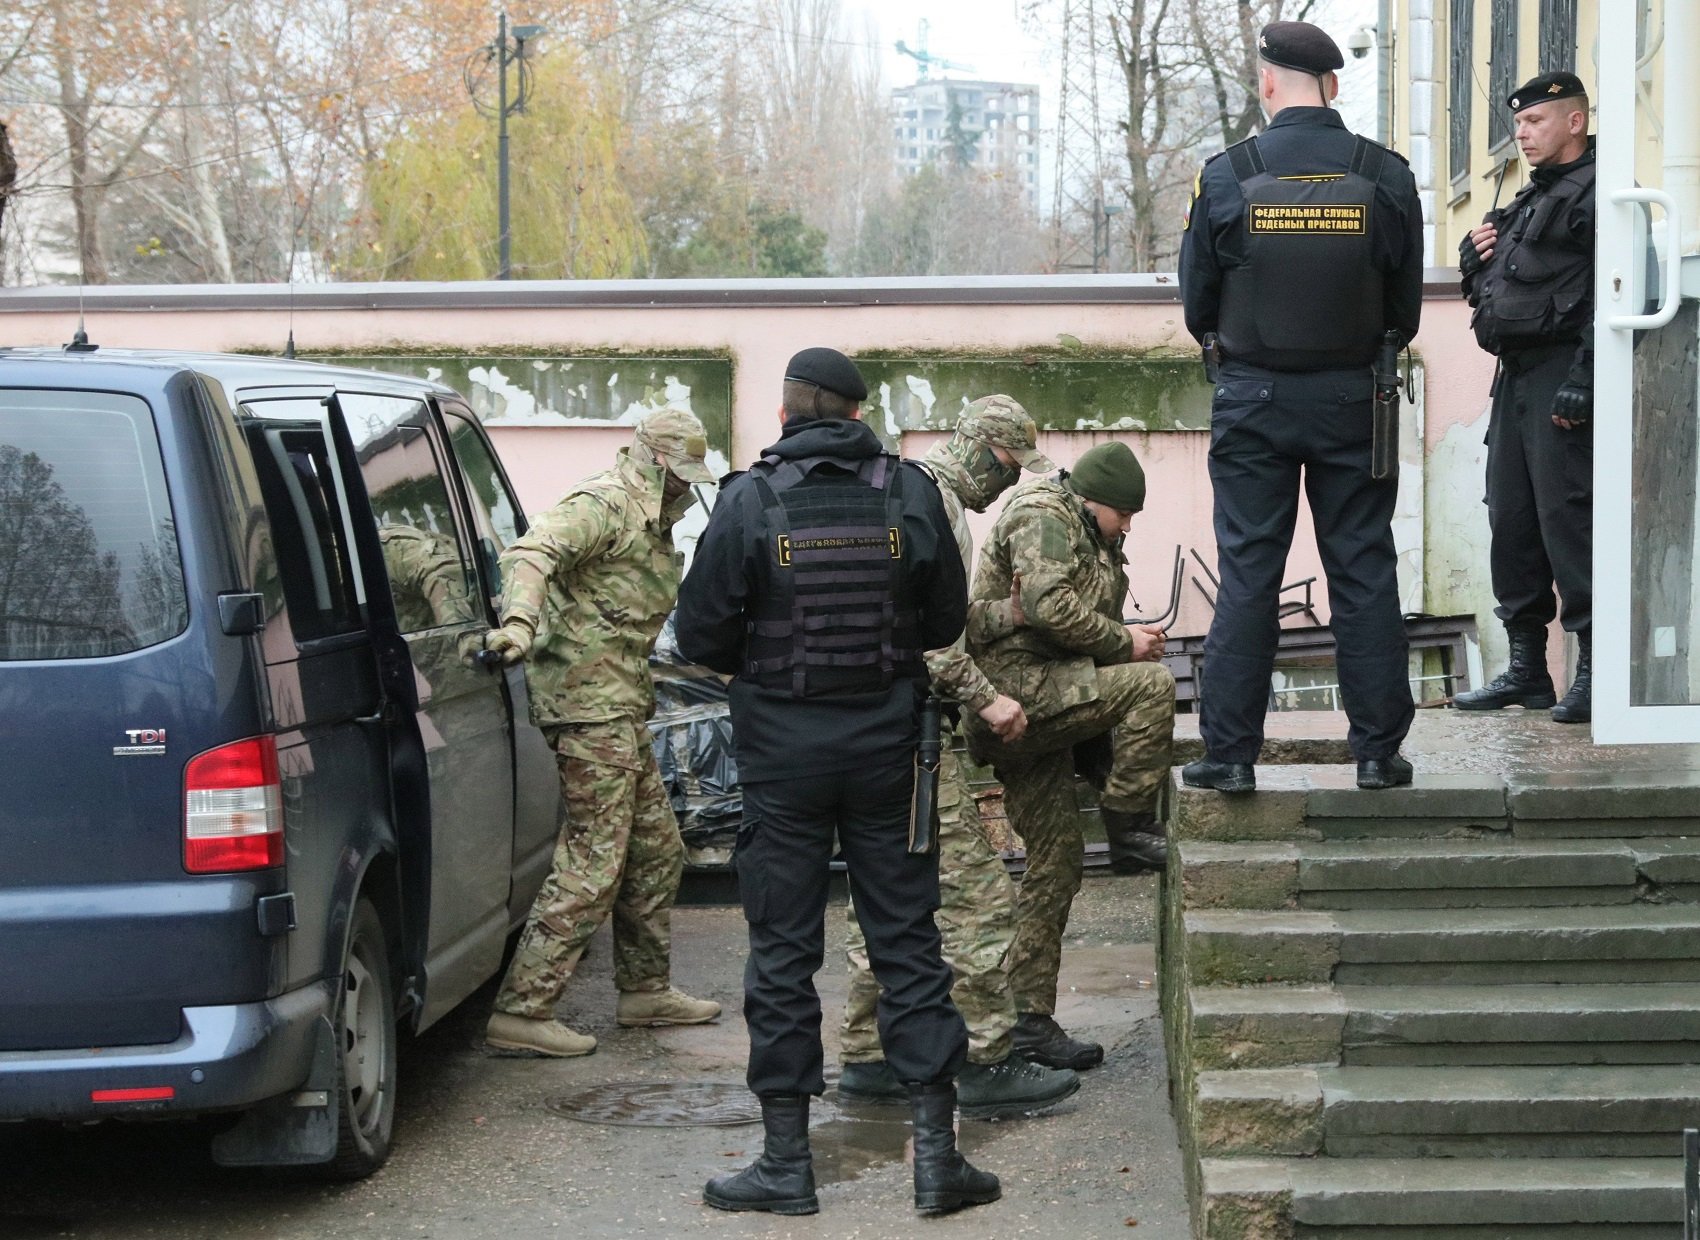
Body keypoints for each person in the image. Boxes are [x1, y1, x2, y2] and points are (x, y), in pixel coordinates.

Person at [676, 347, 999, 1218]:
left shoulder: (748, 498)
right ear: (857, 416)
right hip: (890, 748)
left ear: (785, 416)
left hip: (782, 754)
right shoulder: (910, 492)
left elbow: (700, 634)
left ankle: (786, 1165)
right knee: (907, 941)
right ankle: (937, 1160)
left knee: (782, 950)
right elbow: (943, 620)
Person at [1177, 20, 1423, 793]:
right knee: (1362, 566)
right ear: (1335, 87)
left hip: (1252, 399)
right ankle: (1379, 753)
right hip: (1356, 394)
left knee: (1249, 569)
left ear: (1267, 84)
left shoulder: (1226, 175)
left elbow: (1197, 303)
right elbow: (1406, 308)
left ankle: (1228, 757)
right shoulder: (1384, 174)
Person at [837, 395, 1080, 1119]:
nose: (1007, 484)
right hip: (909, 732)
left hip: (862, 729)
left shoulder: (891, 489)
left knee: (880, 898)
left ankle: (868, 1055)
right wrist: (989, 699)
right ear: (979, 449)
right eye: (1007, 466)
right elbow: (928, 637)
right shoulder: (932, 505)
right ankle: (985, 1060)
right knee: (978, 898)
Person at [481, 408, 722, 1059]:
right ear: (650, 459)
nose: (683, 488)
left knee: (657, 848)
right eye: (677, 474)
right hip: (586, 710)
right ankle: (524, 1008)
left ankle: (645, 990)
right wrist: (521, 624)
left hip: (619, 706)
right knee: (594, 859)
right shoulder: (605, 505)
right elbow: (530, 553)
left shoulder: (653, 519)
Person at [964, 440, 1176, 1072]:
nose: (1130, 525)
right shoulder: (1044, 516)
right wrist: (1127, 645)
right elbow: (1054, 609)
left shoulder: (1092, 531)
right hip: (1018, 697)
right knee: (1153, 685)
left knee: (1055, 864)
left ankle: (1028, 1020)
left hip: (1054, 697)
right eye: (1126, 514)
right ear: (1097, 502)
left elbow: (1078, 625)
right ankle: (1129, 827)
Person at [1452, 71, 1596, 723]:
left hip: (1564, 377)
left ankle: (1595, 673)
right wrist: (1470, 264)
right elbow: (1498, 301)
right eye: (1518, 124)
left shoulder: (1597, 196)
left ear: (1574, 121)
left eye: (1535, 122)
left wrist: (1585, 377)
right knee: (1511, 522)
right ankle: (1527, 670)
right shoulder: (1523, 203)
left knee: (1570, 522)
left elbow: (1615, 291)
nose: (1522, 134)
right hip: (1514, 380)